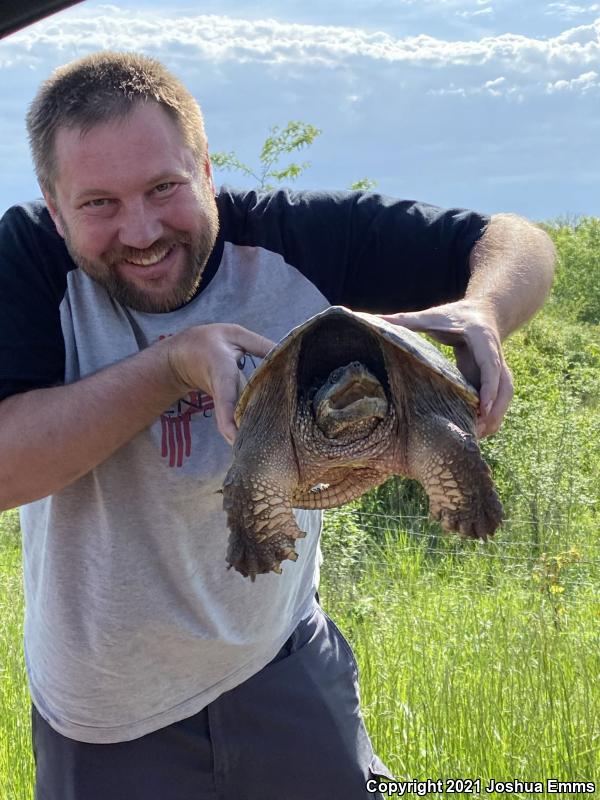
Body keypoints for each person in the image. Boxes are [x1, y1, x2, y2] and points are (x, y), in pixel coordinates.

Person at [0, 51, 555, 800]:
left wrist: (485, 308)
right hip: (105, 713)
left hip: (283, 659)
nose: (141, 231)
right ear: (53, 202)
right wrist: (171, 367)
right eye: (99, 204)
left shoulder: (296, 242)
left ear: (203, 166)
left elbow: (517, 241)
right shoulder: (27, 263)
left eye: (164, 187)